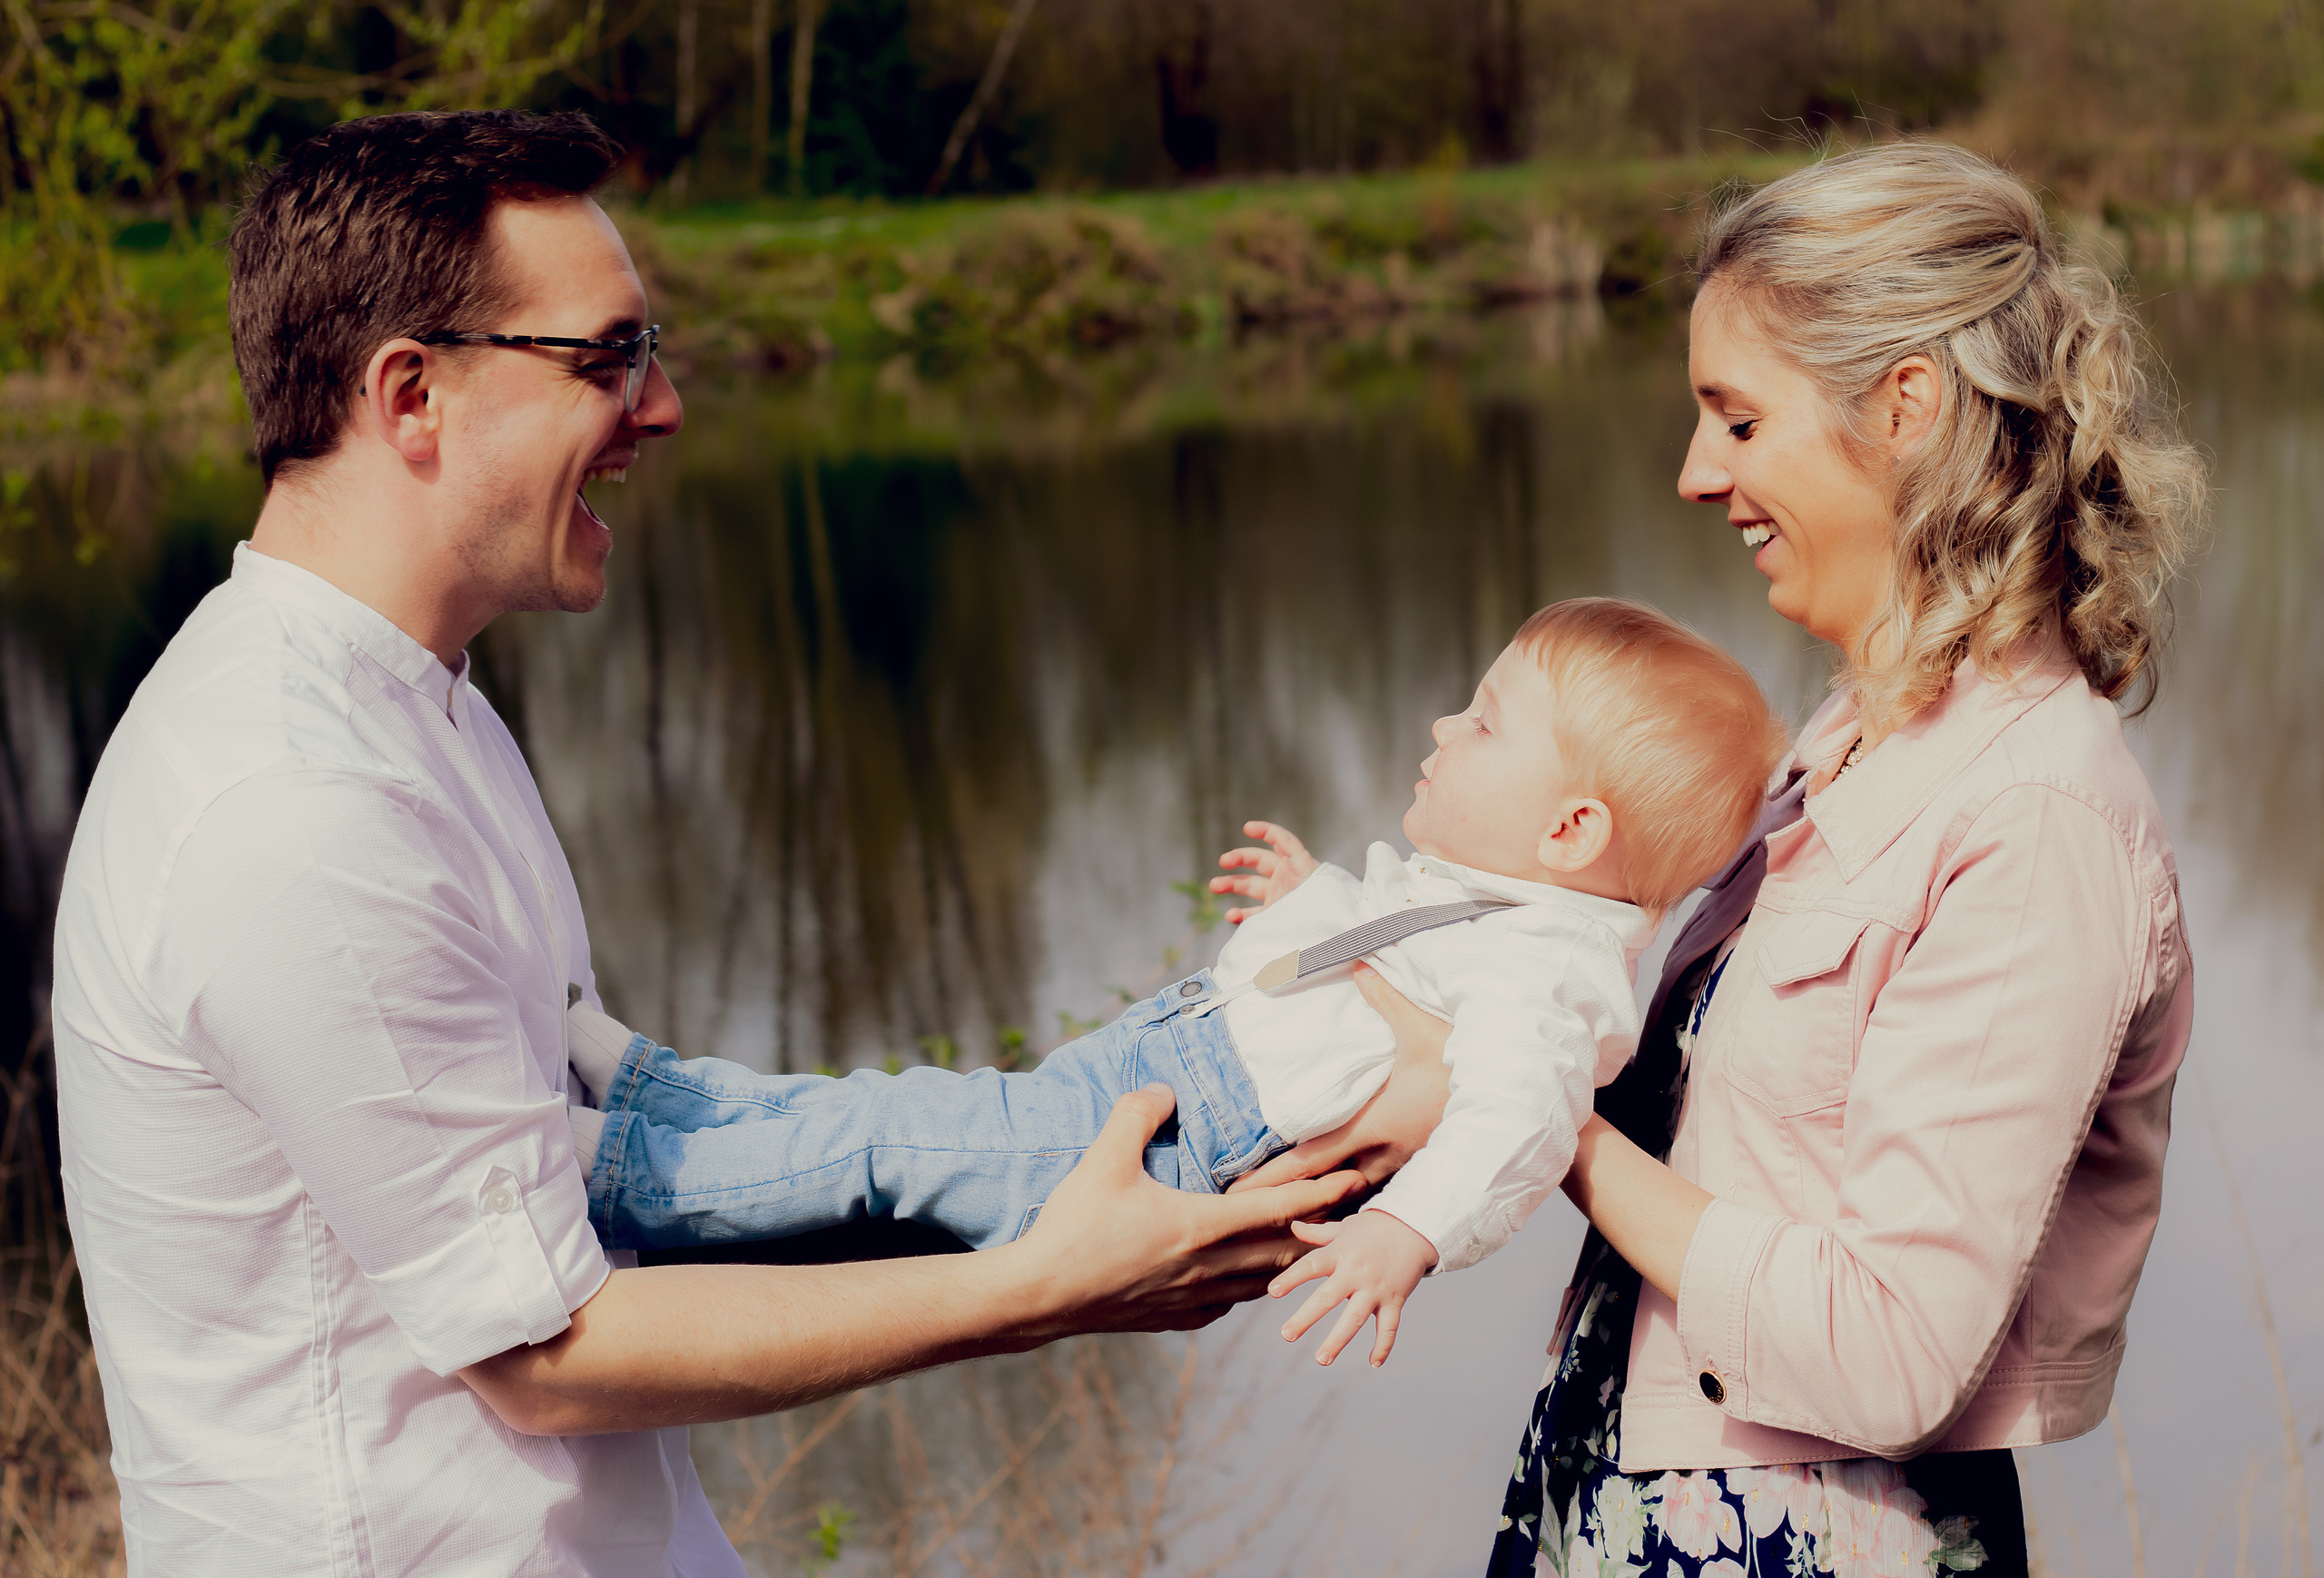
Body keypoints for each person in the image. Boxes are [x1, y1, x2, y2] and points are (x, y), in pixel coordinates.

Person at [47, 109, 1448, 1577]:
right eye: (607, 358)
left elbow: (627, 1170)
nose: (660, 409)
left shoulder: (417, 711)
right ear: (413, 397)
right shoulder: (291, 809)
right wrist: (1041, 1285)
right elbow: (547, 1348)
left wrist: (1063, 1172)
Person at [1344, 142, 2192, 1573]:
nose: (1693, 474)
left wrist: (1542, 1121)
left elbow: (1889, 1353)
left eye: (1737, 421)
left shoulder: (2033, 822)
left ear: (1904, 407)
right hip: (1624, 1494)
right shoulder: (1850, 744)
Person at [557, 598, 1786, 1369]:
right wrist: (1316, 900)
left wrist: (1408, 1236)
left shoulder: (1550, 971)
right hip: (1166, 1071)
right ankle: (658, 1102)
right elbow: (1388, 979)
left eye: (1484, 723)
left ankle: (607, 1168)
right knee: (888, 1126)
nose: (1440, 725)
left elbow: (1517, 1116)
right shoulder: (1511, 915)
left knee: (886, 1143)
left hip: (1185, 1131)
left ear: (1571, 828)